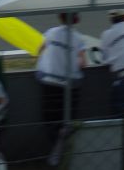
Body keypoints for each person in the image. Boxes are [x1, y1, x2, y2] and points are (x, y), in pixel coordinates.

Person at [35, 12, 87, 155]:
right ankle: (64, 145)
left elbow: (40, 50)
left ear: (60, 18)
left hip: (48, 81)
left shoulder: (51, 32)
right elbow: (83, 63)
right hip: (68, 85)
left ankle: (55, 146)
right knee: (68, 118)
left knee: (50, 118)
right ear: (76, 20)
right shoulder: (78, 39)